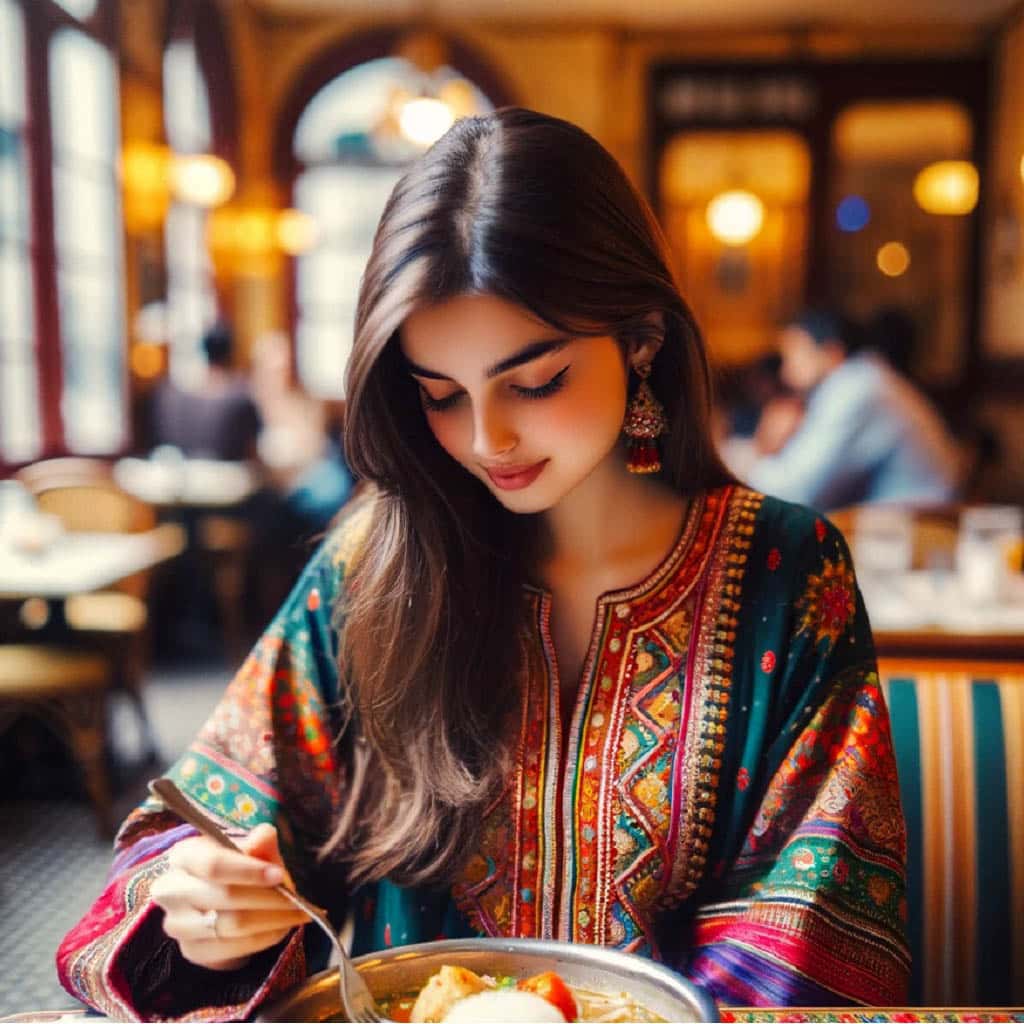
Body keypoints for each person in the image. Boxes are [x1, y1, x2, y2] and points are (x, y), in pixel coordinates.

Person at [57, 109, 909, 1019]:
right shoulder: (372, 568)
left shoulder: (787, 572)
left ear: (643, 339)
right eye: (437, 395)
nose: (485, 438)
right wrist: (203, 903)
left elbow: (813, 941)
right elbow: (201, 829)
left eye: (535, 382)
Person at [741, 308, 961, 511]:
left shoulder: (855, 389)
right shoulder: (864, 378)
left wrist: (745, 465)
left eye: (794, 353)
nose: (786, 370)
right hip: (905, 523)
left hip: (919, 529)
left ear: (831, 352)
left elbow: (796, 491)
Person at [146, 322, 262, 462]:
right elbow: (253, 446)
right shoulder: (240, 397)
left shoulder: (172, 395)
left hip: (183, 474)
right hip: (227, 477)